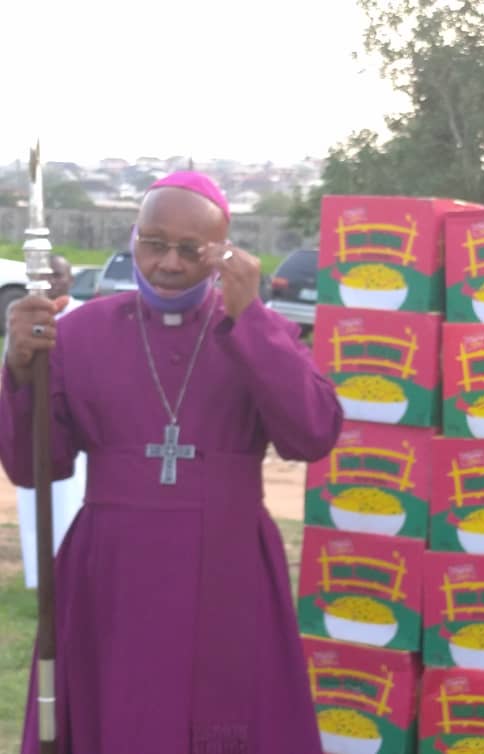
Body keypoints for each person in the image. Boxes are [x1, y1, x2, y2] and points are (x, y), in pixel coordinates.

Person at [2, 171, 343, 754]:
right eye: (153, 242)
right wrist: (17, 371)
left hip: (230, 566)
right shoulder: (78, 334)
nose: (169, 263)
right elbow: (37, 466)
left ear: (223, 250)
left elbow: (312, 435)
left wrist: (252, 318)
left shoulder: (259, 331)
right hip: (110, 570)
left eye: (192, 249)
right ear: (133, 238)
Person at [11, 254, 87, 589]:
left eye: (57, 275)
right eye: (43, 275)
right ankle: (39, 577)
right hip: (40, 435)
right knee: (37, 508)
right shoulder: (25, 321)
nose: (50, 281)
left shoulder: (85, 318)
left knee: (73, 508)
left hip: (78, 441)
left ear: (71, 279)